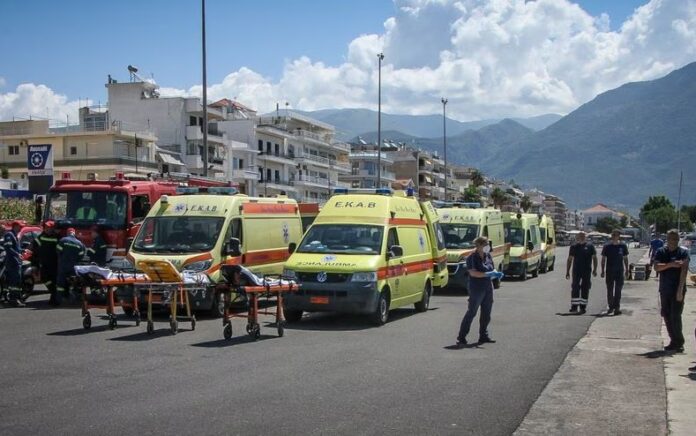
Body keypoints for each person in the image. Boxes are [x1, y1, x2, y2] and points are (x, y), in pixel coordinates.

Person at [456, 236, 503, 346]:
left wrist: (496, 274)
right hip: (476, 287)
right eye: (485, 244)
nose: (488, 246)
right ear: (479, 246)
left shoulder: (487, 256)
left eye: (488, 244)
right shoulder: (472, 257)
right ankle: (461, 337)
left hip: (488, 286)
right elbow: (473, 273)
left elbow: (492, 268)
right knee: (472, 312)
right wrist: (487, 274)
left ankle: (483, 335)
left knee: (486, 313)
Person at [654, 229, 689, 353]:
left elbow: (684, 270)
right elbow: (657, 267)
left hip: (677, 289)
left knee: (675, 316)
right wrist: (671, 264)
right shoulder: (661, 252)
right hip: (664, 289)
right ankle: (673, 341)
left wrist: (680, 290)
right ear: (667, 239)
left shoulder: (683, 252)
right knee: (666, 315)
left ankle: (679, 342)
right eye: (670, 238)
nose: (672, 241)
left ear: (678, 240)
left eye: (675, 239)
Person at [566, 231, 597, 314]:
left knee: (585, 288)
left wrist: (595, 269)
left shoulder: (590, 246)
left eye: (583, 236)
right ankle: (574, 307)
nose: (582, 237)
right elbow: (570, 259)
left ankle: (583, 307)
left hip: (587, 271)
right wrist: (567, 271)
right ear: (577, 237)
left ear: (586, 237)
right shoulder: (574, 247)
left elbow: (594, 258)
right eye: (580, 236)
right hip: (576, 270)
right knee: (575, 287)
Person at [601, 229, 630, 315]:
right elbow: (603, 259)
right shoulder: (607, 246)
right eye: (613, 235)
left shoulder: (623, 246)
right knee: (609, 290)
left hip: (619, 271)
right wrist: (602, 270)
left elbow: (625, 258)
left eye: (616, 235)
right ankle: (611, 306)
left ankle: (617, 307)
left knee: (618, 290)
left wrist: (627, 270)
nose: (614, 237)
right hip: (609, 271)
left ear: (619, 236)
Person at [31, 220, 60, 306]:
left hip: (54, 263)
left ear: (52, 228)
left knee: (54, 280)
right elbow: (34, 244)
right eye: (46, 227)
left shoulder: (57, 237)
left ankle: (54, 298)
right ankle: (53, 292)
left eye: (49, 228)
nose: (47, 229)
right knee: (44, 278)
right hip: (44, 262)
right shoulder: (41, 236)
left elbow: (60, 250)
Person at [56, 228, 86, 303]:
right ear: (74, 234)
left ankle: (60, 298)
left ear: (67, 233)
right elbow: (81, 255)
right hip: (73, 266)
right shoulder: (79, 243)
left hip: (63, 265)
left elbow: (58, 251)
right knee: (74, 281)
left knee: (61, 282)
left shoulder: (63, 240)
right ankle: (74, 297)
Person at [2, 221, 25, 307]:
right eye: (20, 226)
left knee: (17, 281)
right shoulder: (9, 235)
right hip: (12, 262)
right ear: (15, 226)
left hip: (16, 261)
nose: (21, 228)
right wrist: (17, 254)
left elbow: (16, 248)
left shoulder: (15, 235)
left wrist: (22, 251)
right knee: (14, 281)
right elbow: (8, 248)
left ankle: (17, 298)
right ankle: (13, 299)